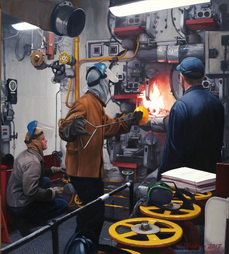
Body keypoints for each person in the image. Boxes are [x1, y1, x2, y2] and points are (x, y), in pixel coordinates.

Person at [59, 62, 143, 244]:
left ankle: (84, 244)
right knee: (93, 214)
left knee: (91, 213)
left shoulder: (96, 105)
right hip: (82, 172)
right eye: (109, 83)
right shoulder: (85, 103)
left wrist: (128, 120)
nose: (110, 87)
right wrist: (72, 128)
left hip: (90, 171)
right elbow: (64, 128)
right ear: (102, 82)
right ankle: (83, 245)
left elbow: (109, 127)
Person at [157, 57, 225, 180]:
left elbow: (173, 150)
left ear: (181, 78)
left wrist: (161, 178)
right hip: (212, 175)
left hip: (188, 178)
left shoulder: (181, 106)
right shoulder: (217, 103)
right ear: (203, 77)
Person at [6, 121, 69, 223]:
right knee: (62, 205)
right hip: (20, 207)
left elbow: (38, 173)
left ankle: (34, 210)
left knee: (45, 180)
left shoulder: (26, 154)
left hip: (15, 199)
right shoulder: (33, 162)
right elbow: (31, 192)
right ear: (36, 142)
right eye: (43, 139)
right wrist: (53, 192)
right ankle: (29, 222)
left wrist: (57, 170)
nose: (46, 140)